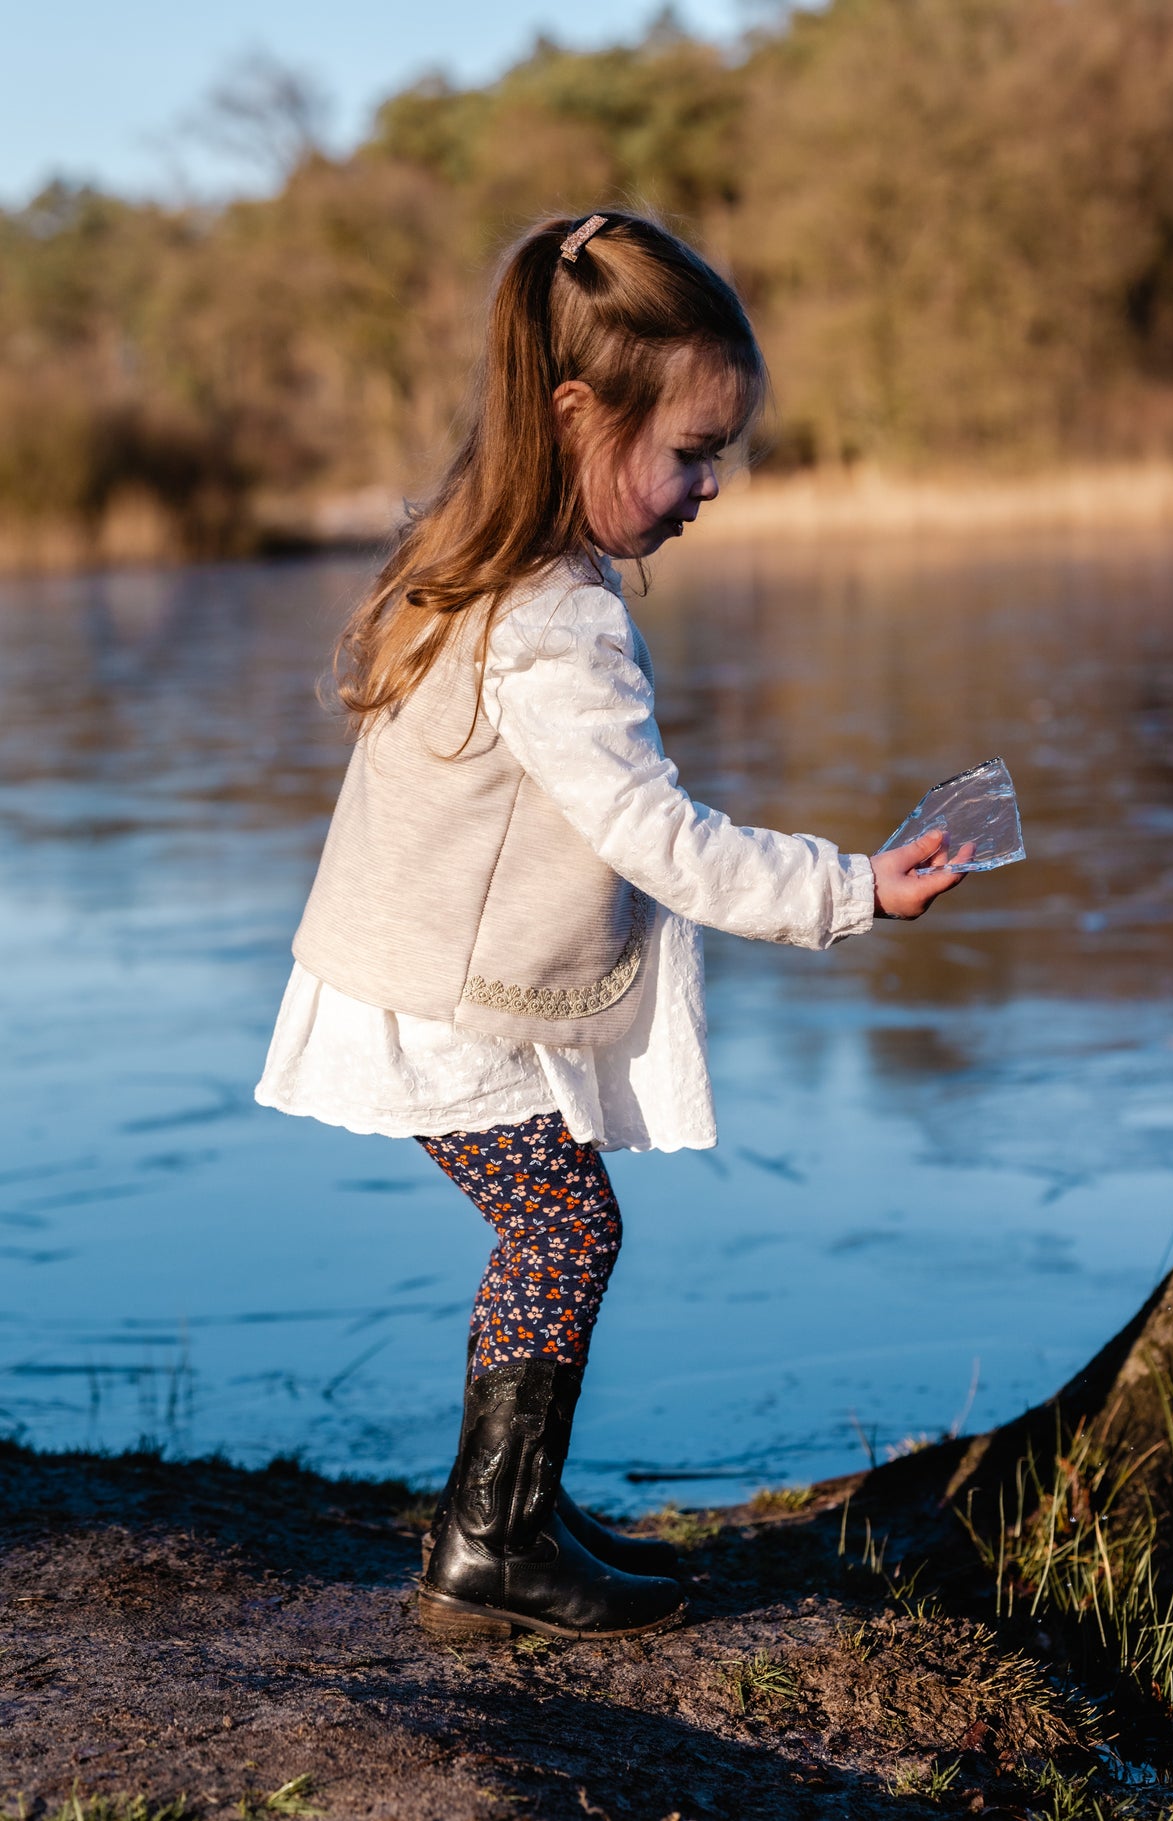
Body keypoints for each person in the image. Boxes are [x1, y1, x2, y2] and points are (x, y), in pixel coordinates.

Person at [255, 210, 965, 1644]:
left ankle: (512, 1512)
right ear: (578, 414)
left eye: (722, 453)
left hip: (419, 975)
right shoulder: (553, 624)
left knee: (557, 1220)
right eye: (692, 452)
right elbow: (658, 838)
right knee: (564, 1227)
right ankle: (490, 1542)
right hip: (438, 997)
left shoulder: (485, 564)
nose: (712, 485)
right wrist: (853, 888)